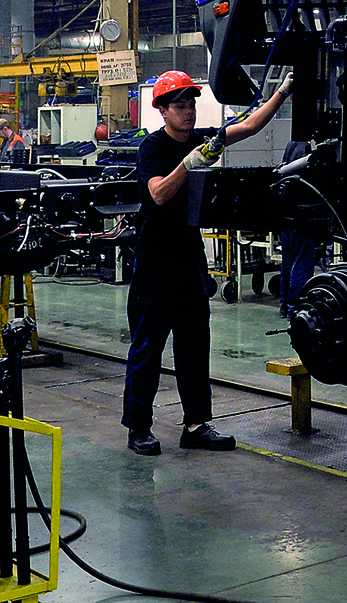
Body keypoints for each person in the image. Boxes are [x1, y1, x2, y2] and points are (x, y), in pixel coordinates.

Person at [123, 68, 292, 456]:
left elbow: (248, 127)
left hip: (188, 262)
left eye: (191, 105)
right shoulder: (152, 149)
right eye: (179, 106)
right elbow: (159, 195)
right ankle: (139, 428)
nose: (188, 112)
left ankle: (196, 425)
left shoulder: (202, 139)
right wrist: (190, 162)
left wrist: (282, 93)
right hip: (155, 264)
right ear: (162, 110)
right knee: (148, 348)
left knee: (195, 346)